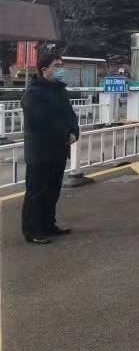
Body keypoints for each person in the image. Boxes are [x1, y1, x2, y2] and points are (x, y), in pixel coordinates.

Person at [20, 54, 79, 244]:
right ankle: (32, 230)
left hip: (58, 150)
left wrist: (74, 132)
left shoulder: (60, 90)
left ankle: (48, 224)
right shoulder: (34, 93)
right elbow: (40, 122)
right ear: (44, 69)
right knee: (36, 192)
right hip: (40, 151)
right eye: (57, 65)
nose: (61, 69)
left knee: (52, 190)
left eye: (62, 65)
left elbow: (70, 115)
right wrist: (64, 135)